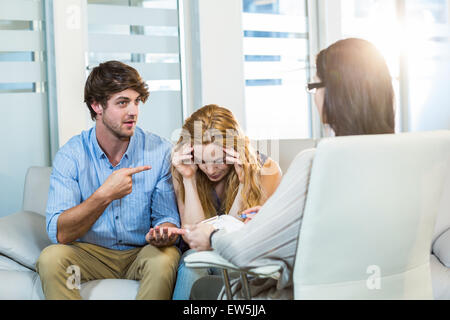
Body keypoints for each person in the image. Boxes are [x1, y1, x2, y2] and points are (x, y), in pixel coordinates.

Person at [184, 38, 396, 299]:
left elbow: (245, 251)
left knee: (202, 293)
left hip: (305, 293)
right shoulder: (408, 163)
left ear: (335, 94)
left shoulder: (314, 165)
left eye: (314, 86)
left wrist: (212, 235)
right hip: (374, 291)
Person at [36, 61, 184, 300]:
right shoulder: (71, 155)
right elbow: (60, 234)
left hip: (142, 253)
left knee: (166, 257)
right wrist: (104, 195)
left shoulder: (160, 151)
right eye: (122, 102)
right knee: (51, 258)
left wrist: (165, 231)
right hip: (90, 255)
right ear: (97, 106)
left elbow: (166, 216)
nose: (133, 111)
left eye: (137, 101)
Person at [171, 104, 282, 299]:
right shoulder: (184, 170)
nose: (211, 170)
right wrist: (188, 179)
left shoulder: (267, 169)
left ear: (236, 150)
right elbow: (193, 238)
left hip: (242, 259)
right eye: (202, 161)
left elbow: (236, 237)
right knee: (191, 262)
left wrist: (244, 183)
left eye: (219, 160)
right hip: (200, 255)